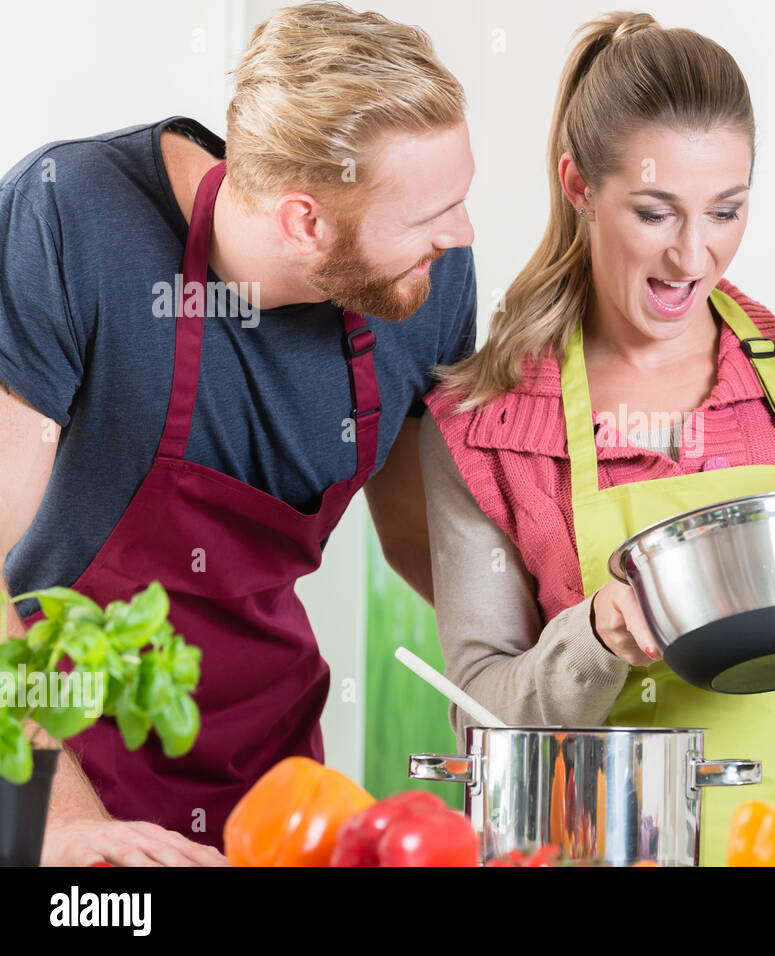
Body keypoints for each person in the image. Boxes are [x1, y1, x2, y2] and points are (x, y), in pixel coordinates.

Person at [420, 11, 775, 866]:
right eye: (655, 212)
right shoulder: (485, 428)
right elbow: (480, 708)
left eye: (726, 210)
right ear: (579, 186)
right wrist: (592, 639)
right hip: (612, 849)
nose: (693, 255)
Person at [0, 2, 475, 866]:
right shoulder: (71, 223)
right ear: (303, 222)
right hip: (57, 762)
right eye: (429, 214)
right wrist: (58, 820)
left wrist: (555, 681)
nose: (462, 233)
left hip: (276, 791)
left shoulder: (423, 276)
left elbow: (424, 544)